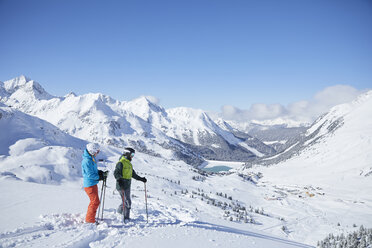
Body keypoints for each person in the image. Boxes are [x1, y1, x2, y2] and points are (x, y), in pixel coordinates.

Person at [114, 147, 147, 222]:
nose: (133, 156)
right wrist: (119, 179)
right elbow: (116, 173)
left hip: (127, 185)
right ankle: (126, 218)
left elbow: (133, 174)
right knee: (127, 202)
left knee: (125, 201)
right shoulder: (121, 163)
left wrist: (141, 179)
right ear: (127, 153)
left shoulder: (129, 164)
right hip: (121, 185)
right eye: (132, 154)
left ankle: (119, 213)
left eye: (133, 154)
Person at [81, 143, 107, 224]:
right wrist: (99, 177)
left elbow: (93, 171)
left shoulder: (91, 158)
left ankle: (90, 219)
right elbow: (90, 174)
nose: (97, 153)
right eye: (97, 151)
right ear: (92, 151)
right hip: (89, 185)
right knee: (95, 202)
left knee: (94, 201)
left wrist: (100, 173)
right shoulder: (87, 161)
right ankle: (90, 220)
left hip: (92, 183)